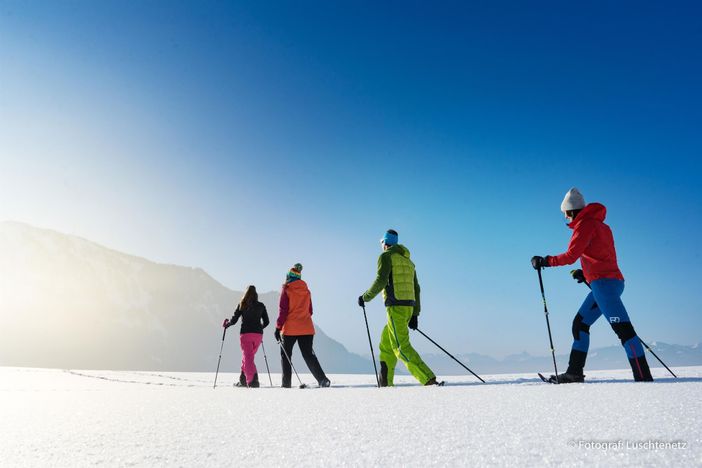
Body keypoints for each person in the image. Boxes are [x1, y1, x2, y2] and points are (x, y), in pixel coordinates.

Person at [531, 188, 653, 383]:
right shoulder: (602, 226)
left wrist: (545, 261)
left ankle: (644, 378)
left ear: (571, 211)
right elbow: (601, 256)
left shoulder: (584, 226)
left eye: (565, 213)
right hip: (608, 282)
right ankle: (574, 373)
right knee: (580, 324)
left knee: (625, 331)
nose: (565, 217)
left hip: (604, 285)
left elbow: (571, 256)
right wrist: (586, 274)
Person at [358, 229, 439, 386]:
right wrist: (415, 314)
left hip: (396, 306)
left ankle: (428, 378)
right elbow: (417, 288)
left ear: (385, 243)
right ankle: (385, 383)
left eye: (382, 243)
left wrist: (365, 297)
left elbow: (381, 280)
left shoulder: (386, 256)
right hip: (408, 307)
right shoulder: (409, 262)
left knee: (400, 347)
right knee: (386, 344)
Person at [274, 263, 331, 388]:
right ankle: (323, 380)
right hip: (306, 327)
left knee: (286, 355)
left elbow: (283, 310)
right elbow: (310, 311)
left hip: (290, 329)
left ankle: (286, 384)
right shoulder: (306, 291)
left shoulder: (287, 289)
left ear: (288, 277)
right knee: (308, 355)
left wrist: (278, 327)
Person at [224, 285, 269, 388]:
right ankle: (242, 380)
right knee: (248, 356)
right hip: (258, 335)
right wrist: (259, 327)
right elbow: (267, 322)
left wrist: (227, 324)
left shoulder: (242, 304)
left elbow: (234, 320)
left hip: (246, 335)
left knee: (248, 357)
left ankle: (253, 381)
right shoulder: (261, 305)